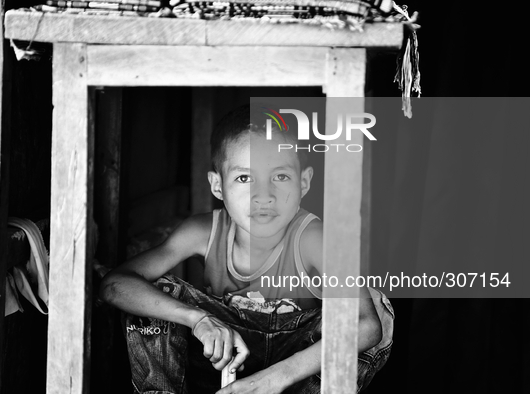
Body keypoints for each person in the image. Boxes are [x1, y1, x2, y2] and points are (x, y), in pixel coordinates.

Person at [99, 104, 394, 394]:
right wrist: (197, 319)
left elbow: (368, 325)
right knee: (154, 299)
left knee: (374, 309)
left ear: (304, 182)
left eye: (280, 176)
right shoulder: (202, 231)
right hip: (220, 368)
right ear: (218, 185)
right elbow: (115, 284)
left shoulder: (314, 239)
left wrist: (275, 378)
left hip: (296, 377)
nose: (263, 196)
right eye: (244, 178)